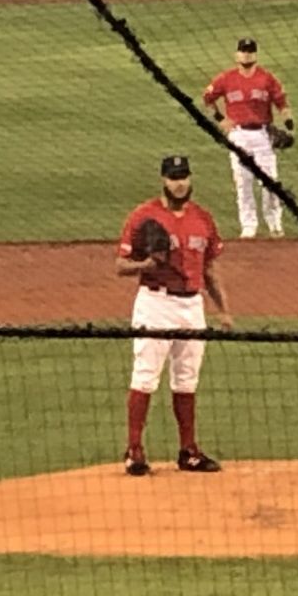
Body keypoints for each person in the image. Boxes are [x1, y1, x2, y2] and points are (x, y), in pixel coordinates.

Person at [117, 155, 231, 476]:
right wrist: (146, 266)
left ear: (190, 179)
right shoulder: (144, 216)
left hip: (192, 306)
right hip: (155, 304)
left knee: (187, 380)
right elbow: (120, 266)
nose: (179, 182)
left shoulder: (203, 219)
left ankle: (188, 451)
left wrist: (223, 310)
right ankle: (135, 449)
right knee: (145, 376)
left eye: (183, 176)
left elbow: (210, 267)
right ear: (163, 181)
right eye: (173, 177)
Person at [202, 38, 292, 238]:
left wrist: (289, 123)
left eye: (250, 51)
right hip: (238, 136)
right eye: (243, 51)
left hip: (262, 135)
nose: (246, 55)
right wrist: (220, 119)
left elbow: (282, 102)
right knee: (243, 183)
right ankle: (248, 226)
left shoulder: (267, 78)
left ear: (255, 55)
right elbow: (207, 98)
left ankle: (275, 224)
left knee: (270, 182)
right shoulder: (226, 79)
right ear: (237, 55)